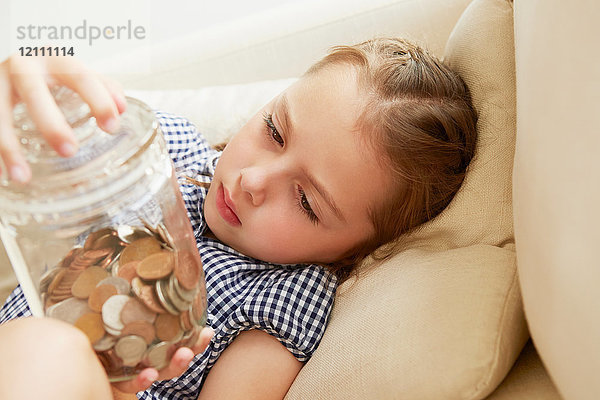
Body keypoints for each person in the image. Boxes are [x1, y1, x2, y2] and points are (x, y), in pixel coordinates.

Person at [0, 37, 477, 400]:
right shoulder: (167, 150)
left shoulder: (284, 294)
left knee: (51, 347)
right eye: (274, 130)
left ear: (353, 251)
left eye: (307, 202)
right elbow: (40, 142)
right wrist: (29, 87)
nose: (253, 180)